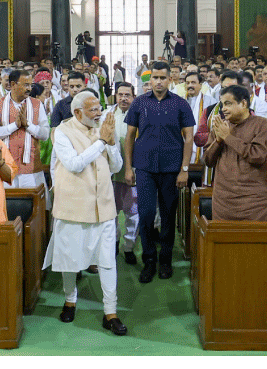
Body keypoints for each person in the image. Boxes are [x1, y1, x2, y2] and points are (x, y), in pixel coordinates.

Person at [43, 91, 127, 335]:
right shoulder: (62, 131)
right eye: (93, 110)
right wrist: (102, 141)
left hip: (104, 205)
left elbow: (116, 166)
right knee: (69, 259)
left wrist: (111, 144)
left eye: (99, 108)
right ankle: (70, 300)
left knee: (108, 262)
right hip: (73, 205)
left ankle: (110, 312)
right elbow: (74, 164)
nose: (99, 113)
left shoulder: (104, 128)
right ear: (77, 113)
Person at [123, 61, 195, 283]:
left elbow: (189, 138)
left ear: (170, 80)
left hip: (172, 169)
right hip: (144, 167)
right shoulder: (139, 103)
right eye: (155, 78)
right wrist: (128, 167)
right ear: (149, 79)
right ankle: (149, 260)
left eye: (163, 78)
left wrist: (184, 169)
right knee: (145, 215)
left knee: (167, 216)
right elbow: (129, 136)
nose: (158, 81)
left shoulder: (181, 104)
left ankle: (165, 260)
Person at [203, 85, 267, 221]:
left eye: (228, 104)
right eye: (222, 104)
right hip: (224, 204)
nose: (223, 108)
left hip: (256, 205)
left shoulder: (261, 124)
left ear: (244, 103)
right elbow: (208, 161)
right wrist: (218, 141)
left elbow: (258, 156)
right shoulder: (221, 127)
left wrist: (228, 138)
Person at [0, 70, 50, 201]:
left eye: (30, 85)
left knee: (36, 208)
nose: (29, 88)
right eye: (25, 85)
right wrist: (15, 126)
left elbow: (45, 134)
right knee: (8, 207)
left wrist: (28, 125)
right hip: (6, 166)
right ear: (13, 84)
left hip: (31, 167)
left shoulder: (37, 104)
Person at [107, 83, 140, 265]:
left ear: (133, 97)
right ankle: (114, 243)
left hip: (133, 171)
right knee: (111, 212)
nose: (123, 98)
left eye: (127, 95)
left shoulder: (140, 115)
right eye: (120, 95)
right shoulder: (107, 114)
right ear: (115, 96)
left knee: (132, 212)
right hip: (111, 173)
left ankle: (128, 247)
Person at [184, 72, 215, 167]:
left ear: (200, 85)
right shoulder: (179, 102)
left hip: (203, 147)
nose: (190, 85)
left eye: (193, 82)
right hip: (183, 147)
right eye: (187, 83)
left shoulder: (211, 102)